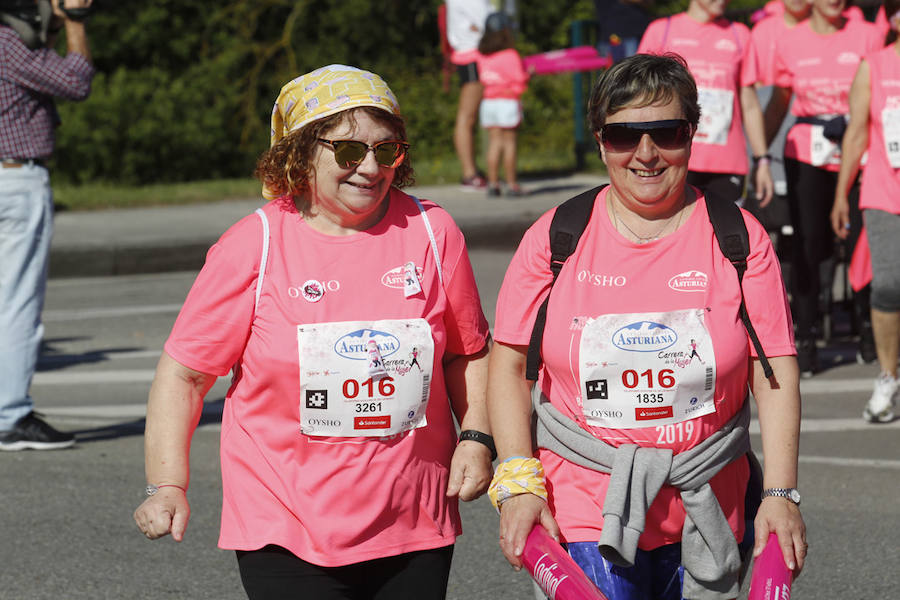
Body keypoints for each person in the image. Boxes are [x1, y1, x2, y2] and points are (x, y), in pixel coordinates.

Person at [133, 65, 495, 600]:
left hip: (413, 515)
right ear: (302, 153)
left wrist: (477, 437)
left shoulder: (432, 231)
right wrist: (167, 484)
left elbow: (468, 352)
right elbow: (185, 375)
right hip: (284, 521)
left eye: (387, 150)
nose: (369, 168)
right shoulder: (253, 243)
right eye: (349, 152)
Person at [487, 54, 806, 600]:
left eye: (667, 132)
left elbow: (773, 370)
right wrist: (518, 483)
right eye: (624, 135)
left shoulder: (738, 237)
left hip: (708, 501)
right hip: (585, 500)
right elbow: (510, 363)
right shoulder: (556, 236)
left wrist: (780, 492)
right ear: (599, 140)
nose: (646, 153)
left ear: (692, 135)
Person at [763, 0, 882, 376]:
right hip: (808, 152)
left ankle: (868, 330)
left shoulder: (868, 34)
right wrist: (759, 156)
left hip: (859, 149)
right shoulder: (789, 40)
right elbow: (778, 105)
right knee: (808, 244)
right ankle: (807, 336)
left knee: (861, 242)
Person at [0, 0, 94, 451]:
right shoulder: (9, 45)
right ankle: (11, 416)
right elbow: (76, 82)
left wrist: (53, 22)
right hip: (15, 179)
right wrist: (75, 20)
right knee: (17, 303)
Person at [831, 0, 900, 423]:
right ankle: (889, 375)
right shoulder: (873, 66)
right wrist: (841, 194)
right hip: (883, 191)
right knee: (889, 285)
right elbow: (856, 133)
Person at [638, 0, 775, 210]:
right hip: (673, 155)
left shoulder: (740, 34)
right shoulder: (661, 31)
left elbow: (749, 104)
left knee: (723, 237)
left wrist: (763, 160)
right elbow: (641, 97)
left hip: (727, 162)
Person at [476, 11, 529, 197]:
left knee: (494, 142)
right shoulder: (511, 55)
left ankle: (493, 184)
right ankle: (512, 185)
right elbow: (520, 81)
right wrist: (529, 73)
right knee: (509, 143)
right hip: (507, 101)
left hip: (489, 102)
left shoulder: (482, 56)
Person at [446, 0, 493, 190]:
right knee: (467, 116)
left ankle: (472, 170)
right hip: (474, 55)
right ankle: (469, 173)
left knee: (469, 117)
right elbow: (487, 25)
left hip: (471, 54)